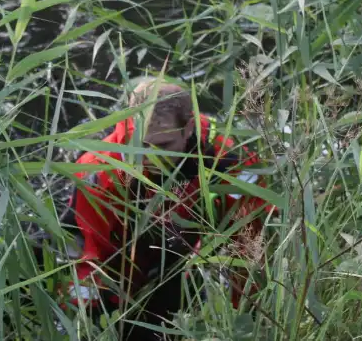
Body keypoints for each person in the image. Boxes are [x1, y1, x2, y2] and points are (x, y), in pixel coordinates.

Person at [58, 78, 271, 339]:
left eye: (164, 146)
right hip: (128, 249)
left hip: (197, 253)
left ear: (189, 128)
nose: (151, 158)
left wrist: (242, 321)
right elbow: (92, 257)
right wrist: (91, 322)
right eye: (142, 145)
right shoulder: (99, 170)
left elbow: (250, 245)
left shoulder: (231, 163)